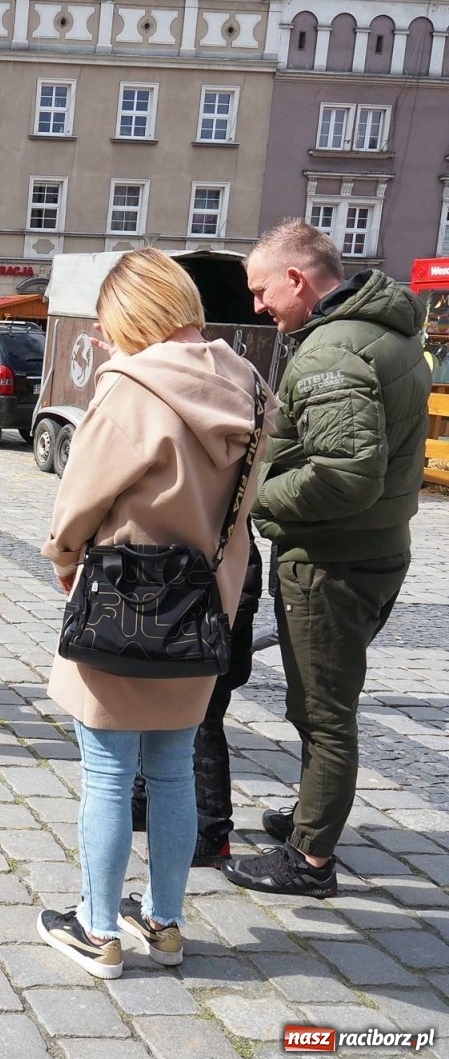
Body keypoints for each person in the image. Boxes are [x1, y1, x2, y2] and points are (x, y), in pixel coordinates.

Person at [36, 248, 272, 979]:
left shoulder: (133, 385)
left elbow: (82, 495)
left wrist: (64, 554)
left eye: (110, 325)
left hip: (122, 598)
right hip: (204, 602)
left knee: (109, 772)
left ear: (132, 316)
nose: (106, 340)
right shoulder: (253, 386)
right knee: (171, 769)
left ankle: (98, 928)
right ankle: (164, 923)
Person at [222, 220, 430, 898]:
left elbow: (343, 474)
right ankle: (315, 818)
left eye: (261, 291)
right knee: (325, 702)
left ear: (296, 279)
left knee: (322, 710)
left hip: (330, 560)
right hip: (376, 548)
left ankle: (309, 861)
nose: (258, 307)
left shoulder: (332, 352)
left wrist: (256, 499)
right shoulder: (387, 332)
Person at [131, 543, 262, 869]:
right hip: (187, 568)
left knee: (203, 712)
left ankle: (210, 830)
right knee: (152, 690)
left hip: (213, 576)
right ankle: (143, 793)